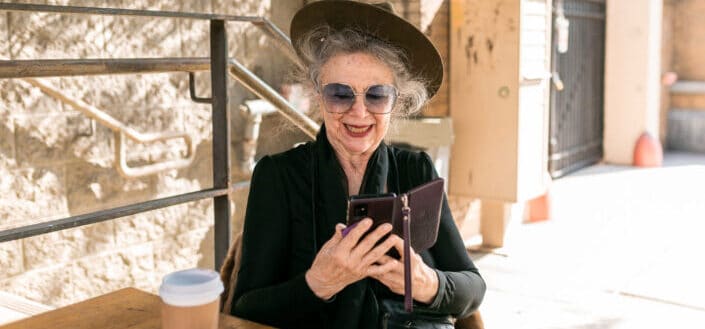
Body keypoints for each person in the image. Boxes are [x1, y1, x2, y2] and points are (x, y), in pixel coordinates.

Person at [229, 1, 486, 328]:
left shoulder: (415, 170)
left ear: (397, 101)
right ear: (319, 96)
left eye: (376, 95)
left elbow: (473, 287)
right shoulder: (278, 176)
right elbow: (244, 310)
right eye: (340, 94)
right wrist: (318, 283)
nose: (359, 112)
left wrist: (426, 283)